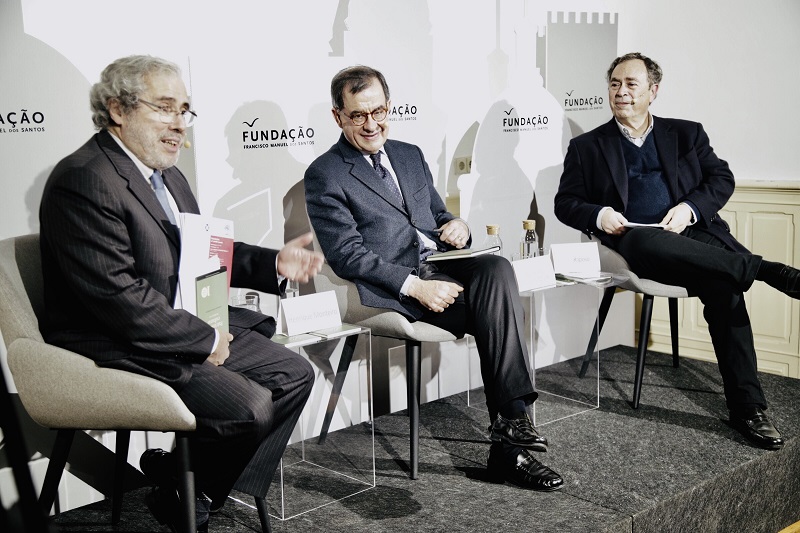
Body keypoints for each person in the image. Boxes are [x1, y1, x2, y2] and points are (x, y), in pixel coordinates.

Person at [39, 55, 324, 531]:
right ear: (118, 110)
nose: (179, 124)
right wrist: (206, 340)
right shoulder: (84, 179)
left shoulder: (167, 173)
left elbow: (203, 250)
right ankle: (191, 493)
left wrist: (272, 262)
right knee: (247, 409)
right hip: (115, 341)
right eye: (165, 108)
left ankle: (189, 487)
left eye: (184, 110)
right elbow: (118, 299)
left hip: (178, 322)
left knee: (293, 374)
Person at [304, 65, 563, 491]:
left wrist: (456, 225)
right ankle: (510, 444)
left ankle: (512, 425)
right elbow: (346, 255)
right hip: (395, 285)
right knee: (495, 310)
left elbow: (438, 215)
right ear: (338, 117)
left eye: (378, 111)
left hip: (442, 263)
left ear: (389, 106)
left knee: (498, 269)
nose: (371, 124)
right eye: (358, 115)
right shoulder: (325, 173)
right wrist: (416, 287)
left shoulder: (409, 154)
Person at [555, 52, 799, 450]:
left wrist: (689, 209)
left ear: (653, 91)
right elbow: (565, 203)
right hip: (635, 243)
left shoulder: (686, 134)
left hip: (693, 235)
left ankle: (749, 409)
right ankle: (768, 271)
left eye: (631, 84)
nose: (621, 92)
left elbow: (721, 178)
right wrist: (600, 215)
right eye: (614, 84)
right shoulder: (587, 146)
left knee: (725, 288)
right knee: (645, 239)